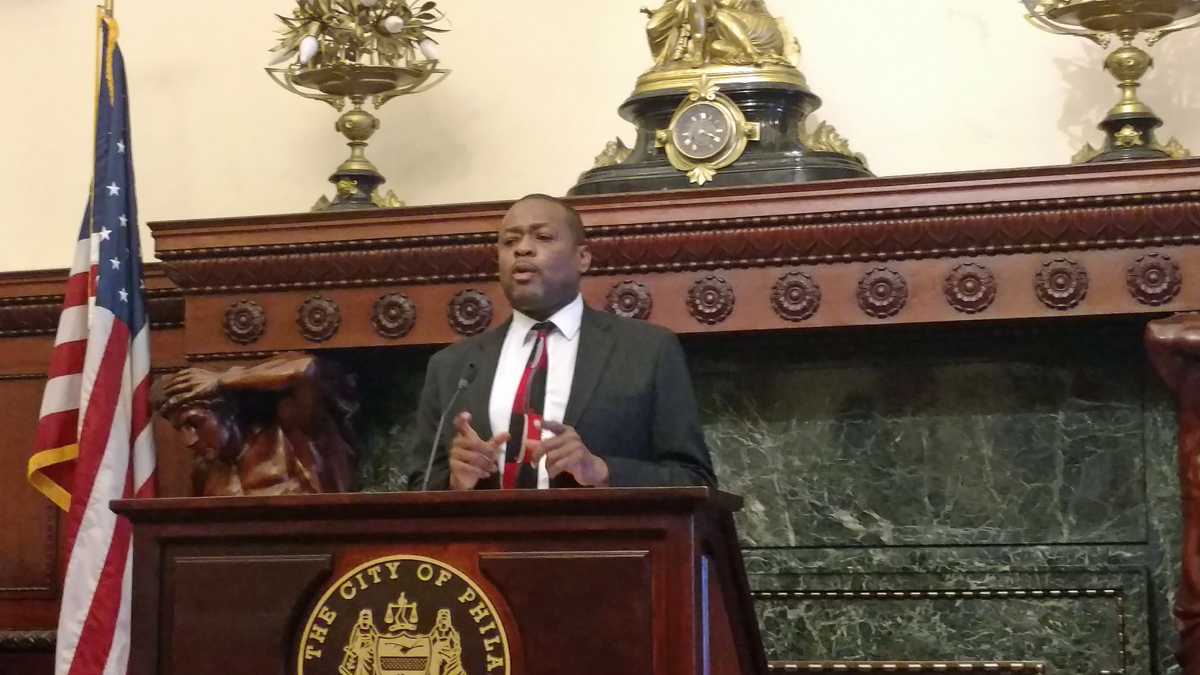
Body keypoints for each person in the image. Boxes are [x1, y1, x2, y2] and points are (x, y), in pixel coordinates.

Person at [412, 194, 716, 491]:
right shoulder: (451, 366)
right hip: (485, 541)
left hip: (604, 540)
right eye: (509, 241)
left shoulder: (648, 350)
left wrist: (601, 470)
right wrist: (454, 481)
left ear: (582, 258)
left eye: (542, 237)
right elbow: (418, 486)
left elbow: (694, 480)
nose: (523, 250)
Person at [152, 352, 358, 496]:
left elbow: (306, 370)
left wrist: (223, 380)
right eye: (181, 429)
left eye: (195, 423)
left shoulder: (291, 435)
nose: (189, 441)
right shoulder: (205, 471)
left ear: (228, 412)